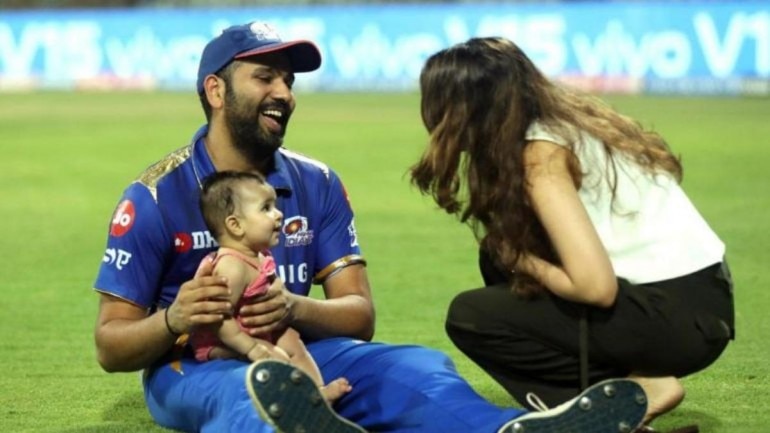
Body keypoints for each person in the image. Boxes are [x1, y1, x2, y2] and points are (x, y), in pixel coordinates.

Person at [93, 22, 647, 433]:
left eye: (288, 81)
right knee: (256, 394)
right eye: (265, 77)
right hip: (192, 366)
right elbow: (111, 346)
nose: (284, 93)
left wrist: (294, 308)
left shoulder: (319, 183)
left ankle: (507, 431)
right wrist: (174, 318)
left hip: (304, 352)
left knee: (416, 367)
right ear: (216, 91)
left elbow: (358, 317)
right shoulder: (155, 195)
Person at [410, 36, 734, 432]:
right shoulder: (561, 128)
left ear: (461, 108)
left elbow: (596, 288)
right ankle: (618, 403)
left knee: (472, 315)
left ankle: (629, 399)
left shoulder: (540, 155)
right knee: (498, 256)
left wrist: (521, 260)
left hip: (673, 316)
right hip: (698, 303)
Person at [192, 170, 351, 403]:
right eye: (266, 208)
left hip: (254, 330)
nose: (278, 215)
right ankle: (298, 403)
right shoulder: (231, 267)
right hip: (220, 342)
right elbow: (217, 319)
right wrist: (249, 348)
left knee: (292, 339)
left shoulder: (259, 255)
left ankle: (317, 392)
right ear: (235, 225)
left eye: (274, 206)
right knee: (275, 355)